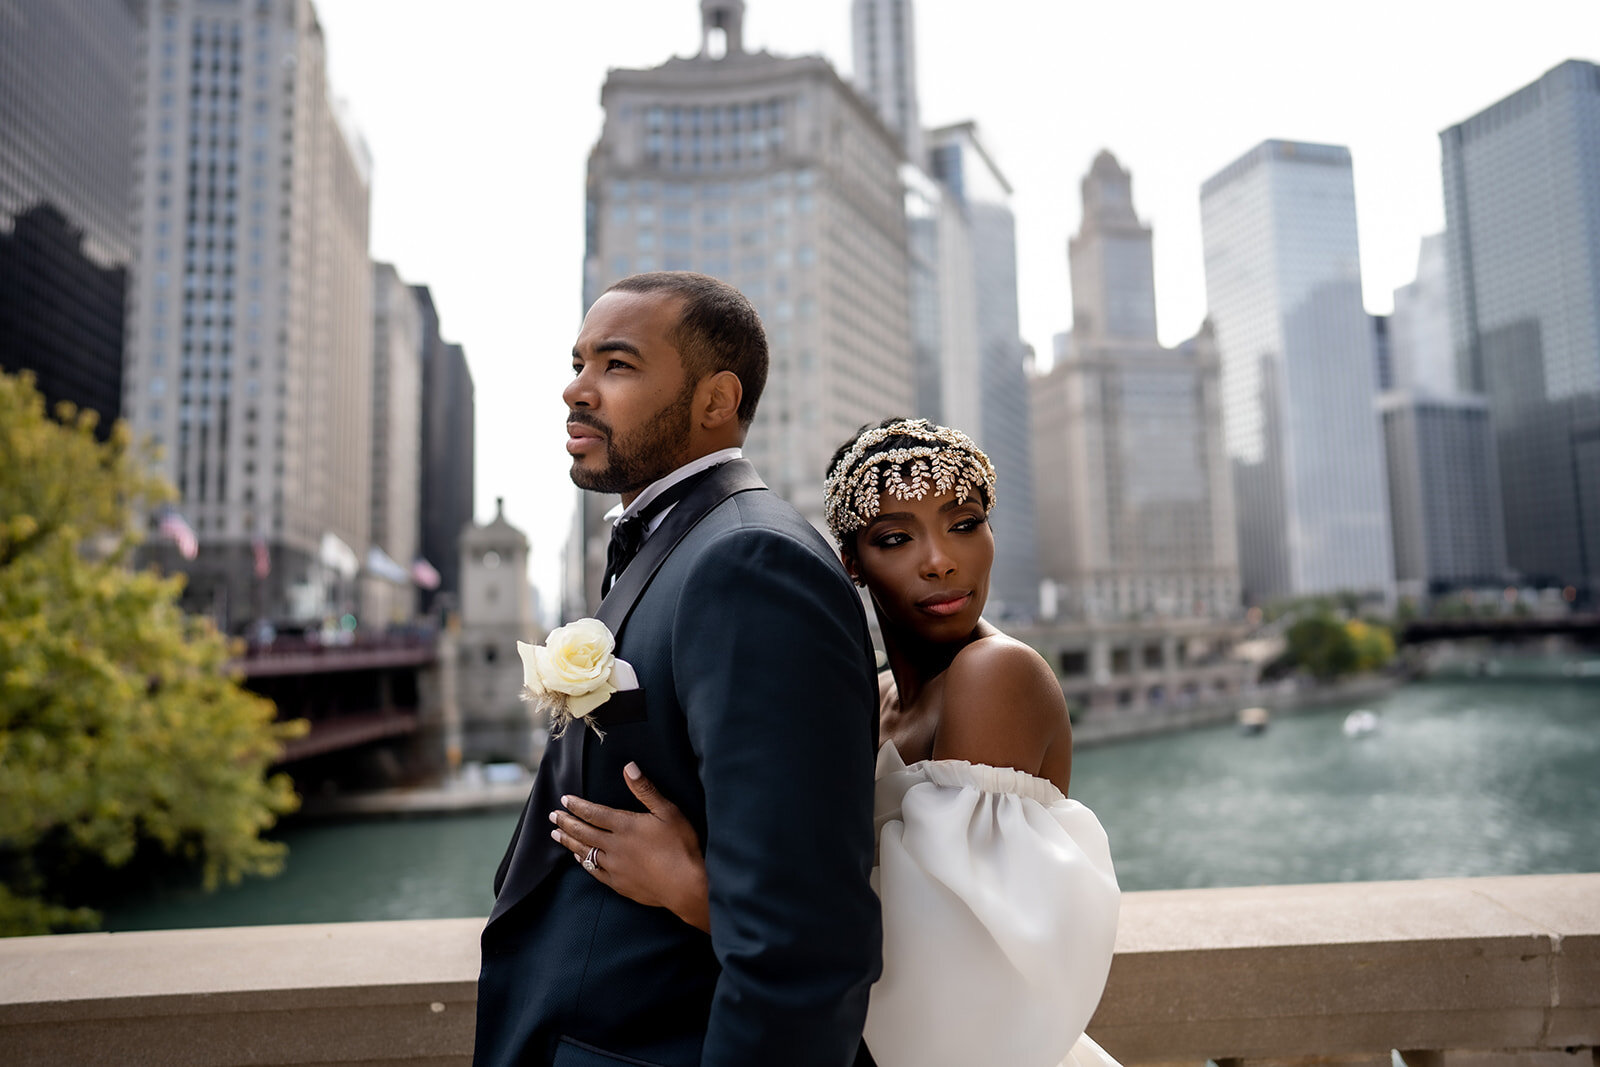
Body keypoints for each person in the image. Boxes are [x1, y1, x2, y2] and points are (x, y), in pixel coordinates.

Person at [551, 417, 1124, 1067]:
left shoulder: (995, 674)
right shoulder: (876, 695)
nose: (940, 558)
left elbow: (944, 968)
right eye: (897, 538)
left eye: (963, 523)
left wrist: (691, 887)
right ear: (852, 561)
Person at [474, 273, 882, 1067]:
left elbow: (800, 947)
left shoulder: (749, 561)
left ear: (714, 400)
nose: (575, 389)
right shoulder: (674, 541)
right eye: (578, 362)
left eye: (616, 366)